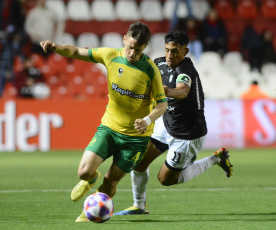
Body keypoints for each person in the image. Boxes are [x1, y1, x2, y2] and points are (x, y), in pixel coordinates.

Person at [40, 22, 168, 222]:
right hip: (109, 129)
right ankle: (91, 178)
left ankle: (90, 212)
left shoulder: (150, 70)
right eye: (130, 47)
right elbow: (76, 51)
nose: (132, 53)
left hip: (135, 139)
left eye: (138, 50)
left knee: (111, 181)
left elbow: (162, 104)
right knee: (83, 171)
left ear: (146, 47)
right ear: (124, 39)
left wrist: (147, 119)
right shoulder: (110, 55)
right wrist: (56, 47)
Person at [113, 31, 233, 215]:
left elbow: (182, 91)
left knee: (165, 179)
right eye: (167, 50)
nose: (170, 55)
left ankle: (216, 158)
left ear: (185, 51)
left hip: (187, 135)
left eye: (175, 51)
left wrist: (165, 92)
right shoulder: (160, 63)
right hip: (166, 123)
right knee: (138, 162)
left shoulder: (185, 70)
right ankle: (139, 206)